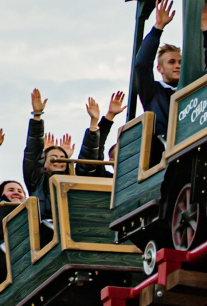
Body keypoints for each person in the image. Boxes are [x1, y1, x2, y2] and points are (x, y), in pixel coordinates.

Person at [132, 0, 207, 131]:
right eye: (171, 62)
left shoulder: (192, 87)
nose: (177, 65)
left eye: (180, 62)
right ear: (160, 68)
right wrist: (158, 27)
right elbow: (142, 64)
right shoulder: (152, 91)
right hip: (165, 142)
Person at [20, 89, 75, 230]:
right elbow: (33, 155)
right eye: (54, 158)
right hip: (45, 230)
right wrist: (37, 116)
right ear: (44, 163)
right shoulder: (38, 182)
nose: (59, 161)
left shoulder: (73, 181)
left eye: (63, 158)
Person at [76, 92, 127, 179]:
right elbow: (95, 152)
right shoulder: (104, 178)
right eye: (121, 155)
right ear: (111, 161)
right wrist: (108, 117)